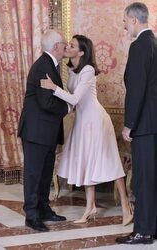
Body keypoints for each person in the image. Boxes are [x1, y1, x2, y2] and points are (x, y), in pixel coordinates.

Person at [40, 34, 133, 226]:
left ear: (81, 51)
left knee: (111, 163)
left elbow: (74, 99)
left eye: (71, 45)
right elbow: (74, 104)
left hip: (96, 121)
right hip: (82, 122)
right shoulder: (73, 71)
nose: (66, 47)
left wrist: (53, 87)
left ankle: (126, 206)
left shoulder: (89, 70)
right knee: (86, 163)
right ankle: (90, 207)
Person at [18, 30, 69, 232]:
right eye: (64, 44)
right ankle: (31, 215)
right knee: (34, 174)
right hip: (36, 131)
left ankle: (44, 209)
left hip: (46, 131)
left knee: (45, 173)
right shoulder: (43, 67)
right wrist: (67, 107)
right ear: (56, 47)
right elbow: (46, 102)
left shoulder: (52, 65)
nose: (65, 46)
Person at [115, 2, 157, 245]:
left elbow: (137, 90)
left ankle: (142, 231)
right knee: (152, 177)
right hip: (153, 124)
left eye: (124, 21)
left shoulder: (140, 46)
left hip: (143, 125)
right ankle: (152, 226)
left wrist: (129, 124)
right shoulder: (154, 43)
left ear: (133, 20)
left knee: (142, 178)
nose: (124, 25)